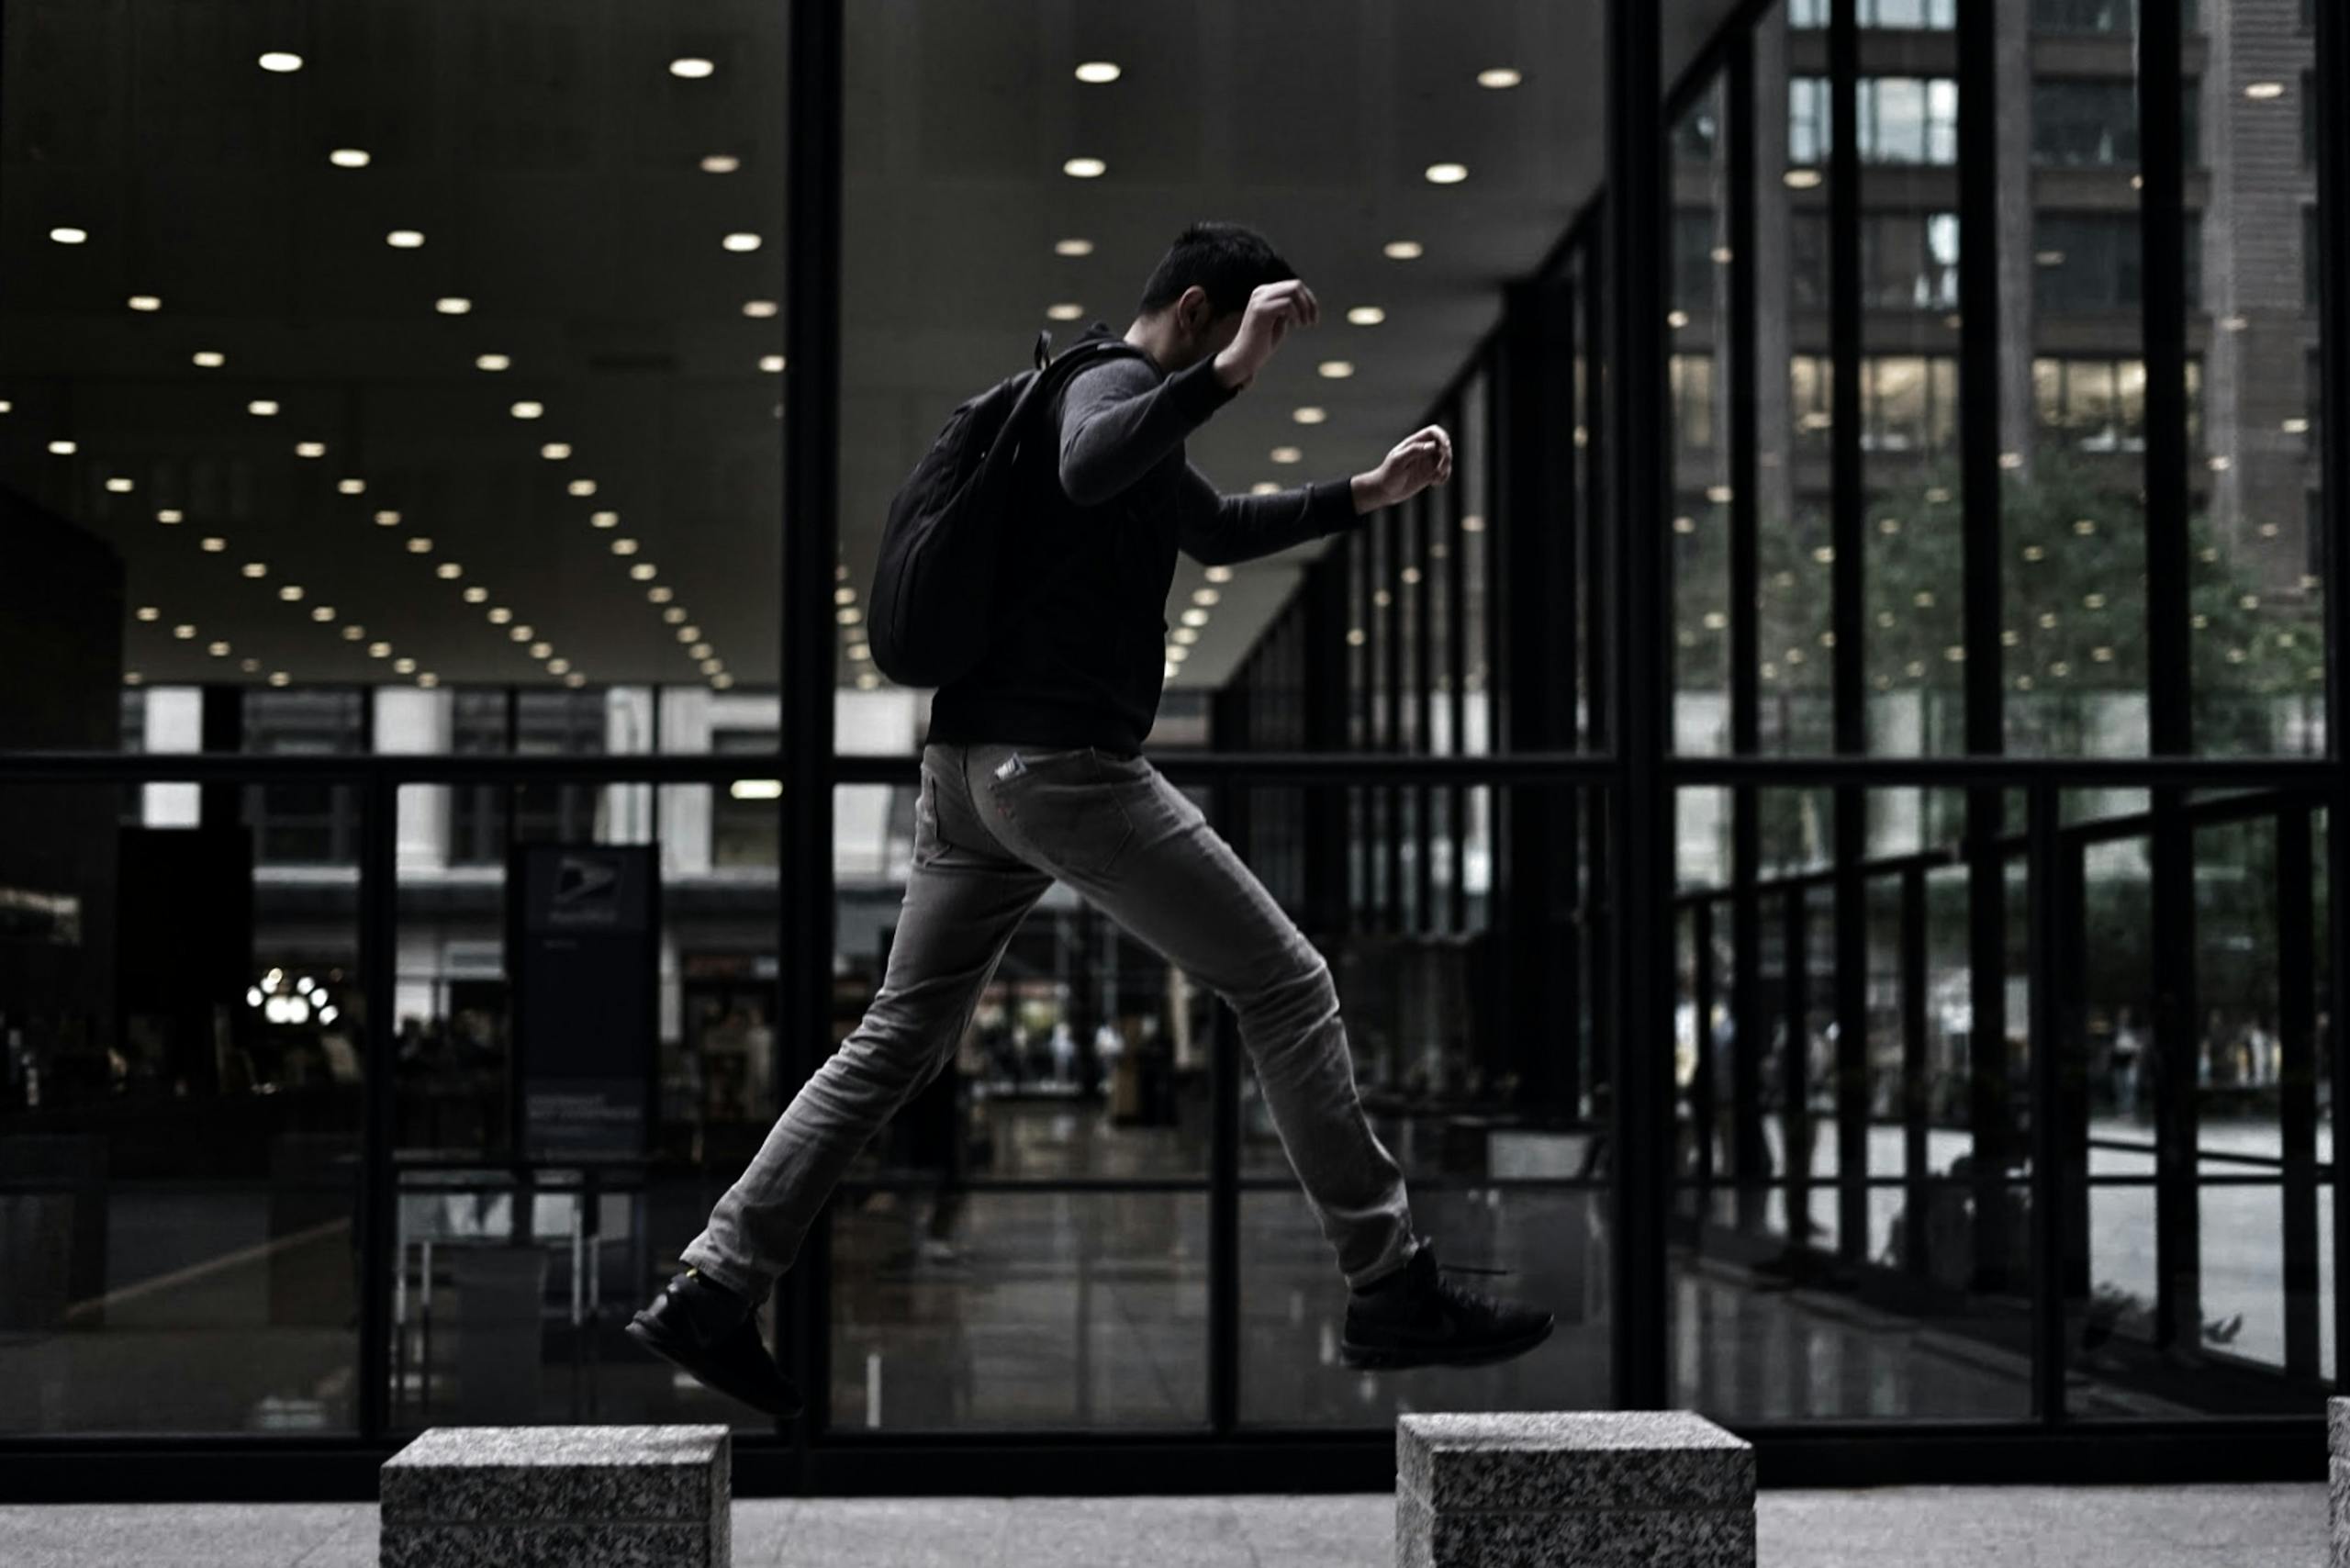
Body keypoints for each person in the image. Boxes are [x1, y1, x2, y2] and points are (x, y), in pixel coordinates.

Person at [627, 222, 1554, 1417]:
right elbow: (1091, 460)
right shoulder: (1112, 383)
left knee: (893, 1043)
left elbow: (1211, 530)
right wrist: (1225, 376)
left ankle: (713, 1283)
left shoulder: (1101, 403)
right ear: (1205, 308)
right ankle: (1388, 1280)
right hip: (1057, 768)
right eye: (1237, 330)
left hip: (968, 778)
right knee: (1286, 986)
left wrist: (1365, 494)